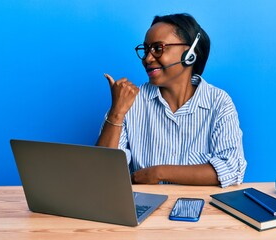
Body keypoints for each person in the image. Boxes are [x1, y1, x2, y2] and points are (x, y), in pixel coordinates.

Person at [96, 13, 247, 188]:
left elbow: (232, 169)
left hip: (202, 209)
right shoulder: (130, 101)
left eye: (158, 48)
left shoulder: (219, 103)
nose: (147, 59)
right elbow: (102, 173)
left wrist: (157, 173)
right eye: (146, 50)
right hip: (145, 209)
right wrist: (117, 112)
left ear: (190, 54)